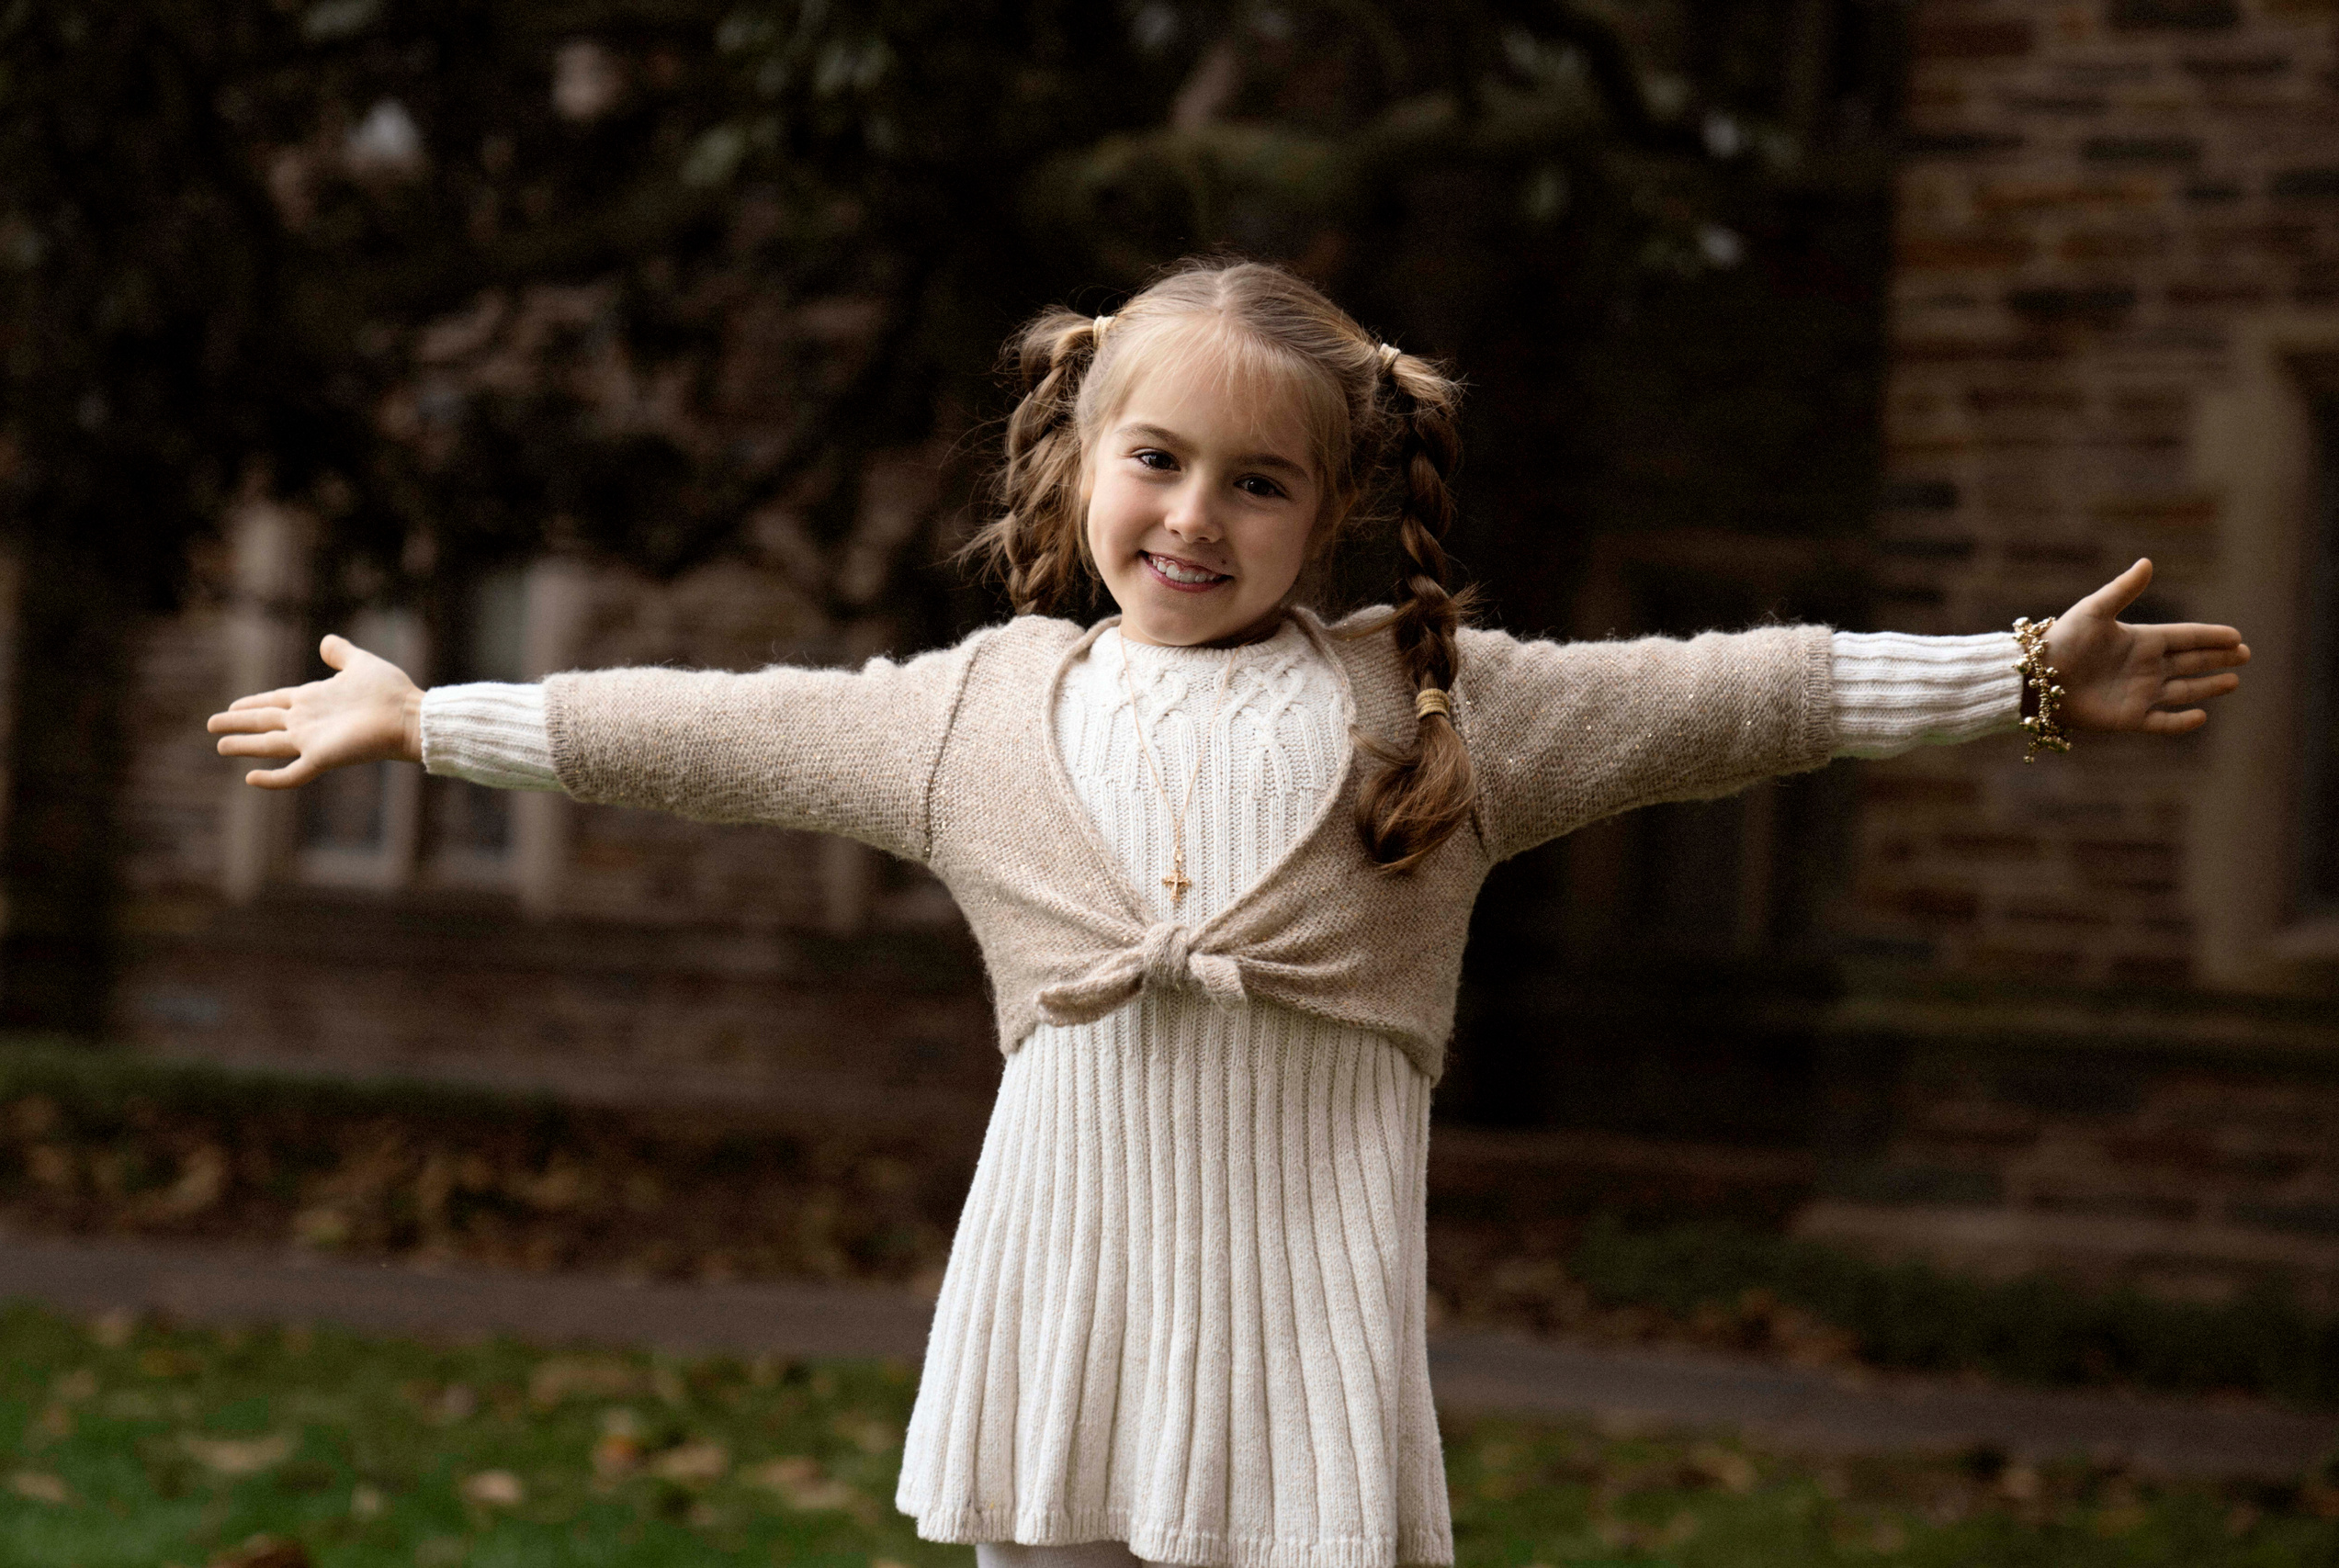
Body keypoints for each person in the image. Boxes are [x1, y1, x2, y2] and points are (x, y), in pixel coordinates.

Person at [208, 259, 2248, 1568]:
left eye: (1257, 483)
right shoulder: (977, 713)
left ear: (1333, 510)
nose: (1194, 515)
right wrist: (434, 720)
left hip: (1300, 1312)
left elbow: (1740, 692)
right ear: (1081, 463)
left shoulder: (1442, 711)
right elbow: (711, 729)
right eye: (1158, 461)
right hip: (1066, 1297)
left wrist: (2016, 678)